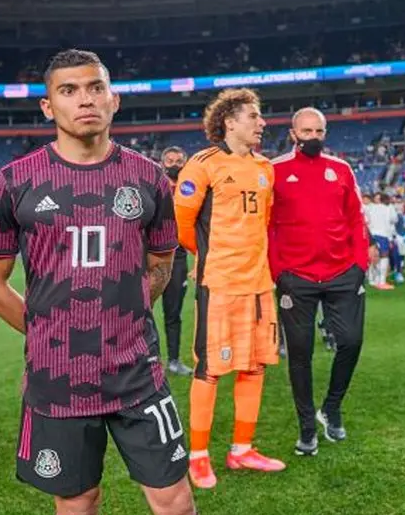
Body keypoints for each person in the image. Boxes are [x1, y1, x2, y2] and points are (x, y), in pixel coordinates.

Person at [0, 49, 207, 515]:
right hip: (58, 379)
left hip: (137, 371)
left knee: (175, 500)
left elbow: (160, 264)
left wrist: (125, 321)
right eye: (69, 90)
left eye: (96, 88)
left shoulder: (148, 177)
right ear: (47, 106)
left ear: (113, 99)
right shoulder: (13, 182)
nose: (85, 100)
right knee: (78, 506)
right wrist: (48, 335)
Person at [174, 87, 286, 490]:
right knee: (210, 369)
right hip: (220, 284)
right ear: (229, 122)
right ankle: (198, 456)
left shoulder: (266, 167)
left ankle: (242, 449)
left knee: (255, 366)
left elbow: (263, 222)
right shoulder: (202, 165)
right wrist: (211, 257)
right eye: (253, 116)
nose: (262, 123)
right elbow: (183, 227)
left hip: (259, 285)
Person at [268, 107, 369, 457]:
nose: (313, 137)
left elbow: (356, 218)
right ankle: (307, 427)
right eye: (306, 131)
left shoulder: (341, 169)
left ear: (325, 133)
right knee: (300, 354)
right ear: (293, 133)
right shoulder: (274, 171)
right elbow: (268, 226)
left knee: (351, 341)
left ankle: (332, 407)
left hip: (343, 273)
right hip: (296, 278)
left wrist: (359, 264)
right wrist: (278, 271)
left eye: (319, 131)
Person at [158, 146, 193, 377]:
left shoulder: (190, 189)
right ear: (162, 163)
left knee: (173, 312)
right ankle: (146, 359)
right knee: (140, 312)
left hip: (178, 257)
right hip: (151, 257)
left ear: (185, 163)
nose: (174, 165)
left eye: (178, 161)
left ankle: (173, 360)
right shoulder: (155, 187)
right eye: (170, 161)